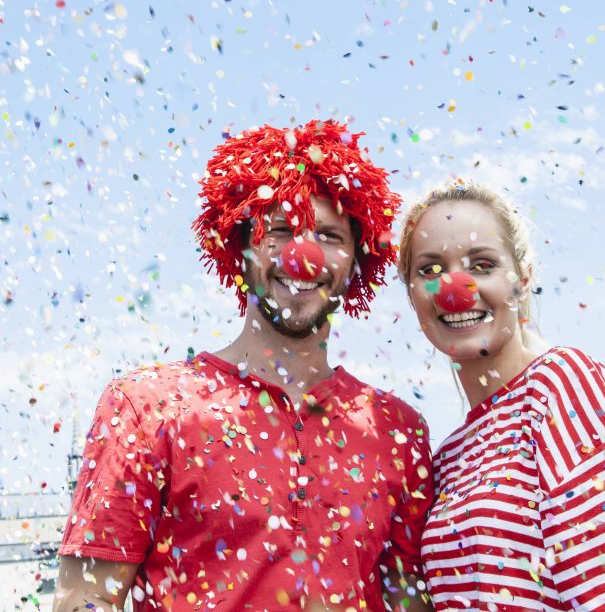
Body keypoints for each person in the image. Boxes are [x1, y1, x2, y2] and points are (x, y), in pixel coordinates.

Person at [54, 119, 434, 612]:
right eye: (278, 230)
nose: (302, 256)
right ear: (241, 247)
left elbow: (410, 599)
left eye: (328, 234)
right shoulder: (143, 408)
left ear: (356, 261)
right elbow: (85, 601)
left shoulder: (397, 429)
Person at [399, 182, 605, 611]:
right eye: (430, 270)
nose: (455, 287)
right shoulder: (449, 458)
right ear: (412, 295)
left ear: (521, 281)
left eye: (482, 264)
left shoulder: (565, 390)